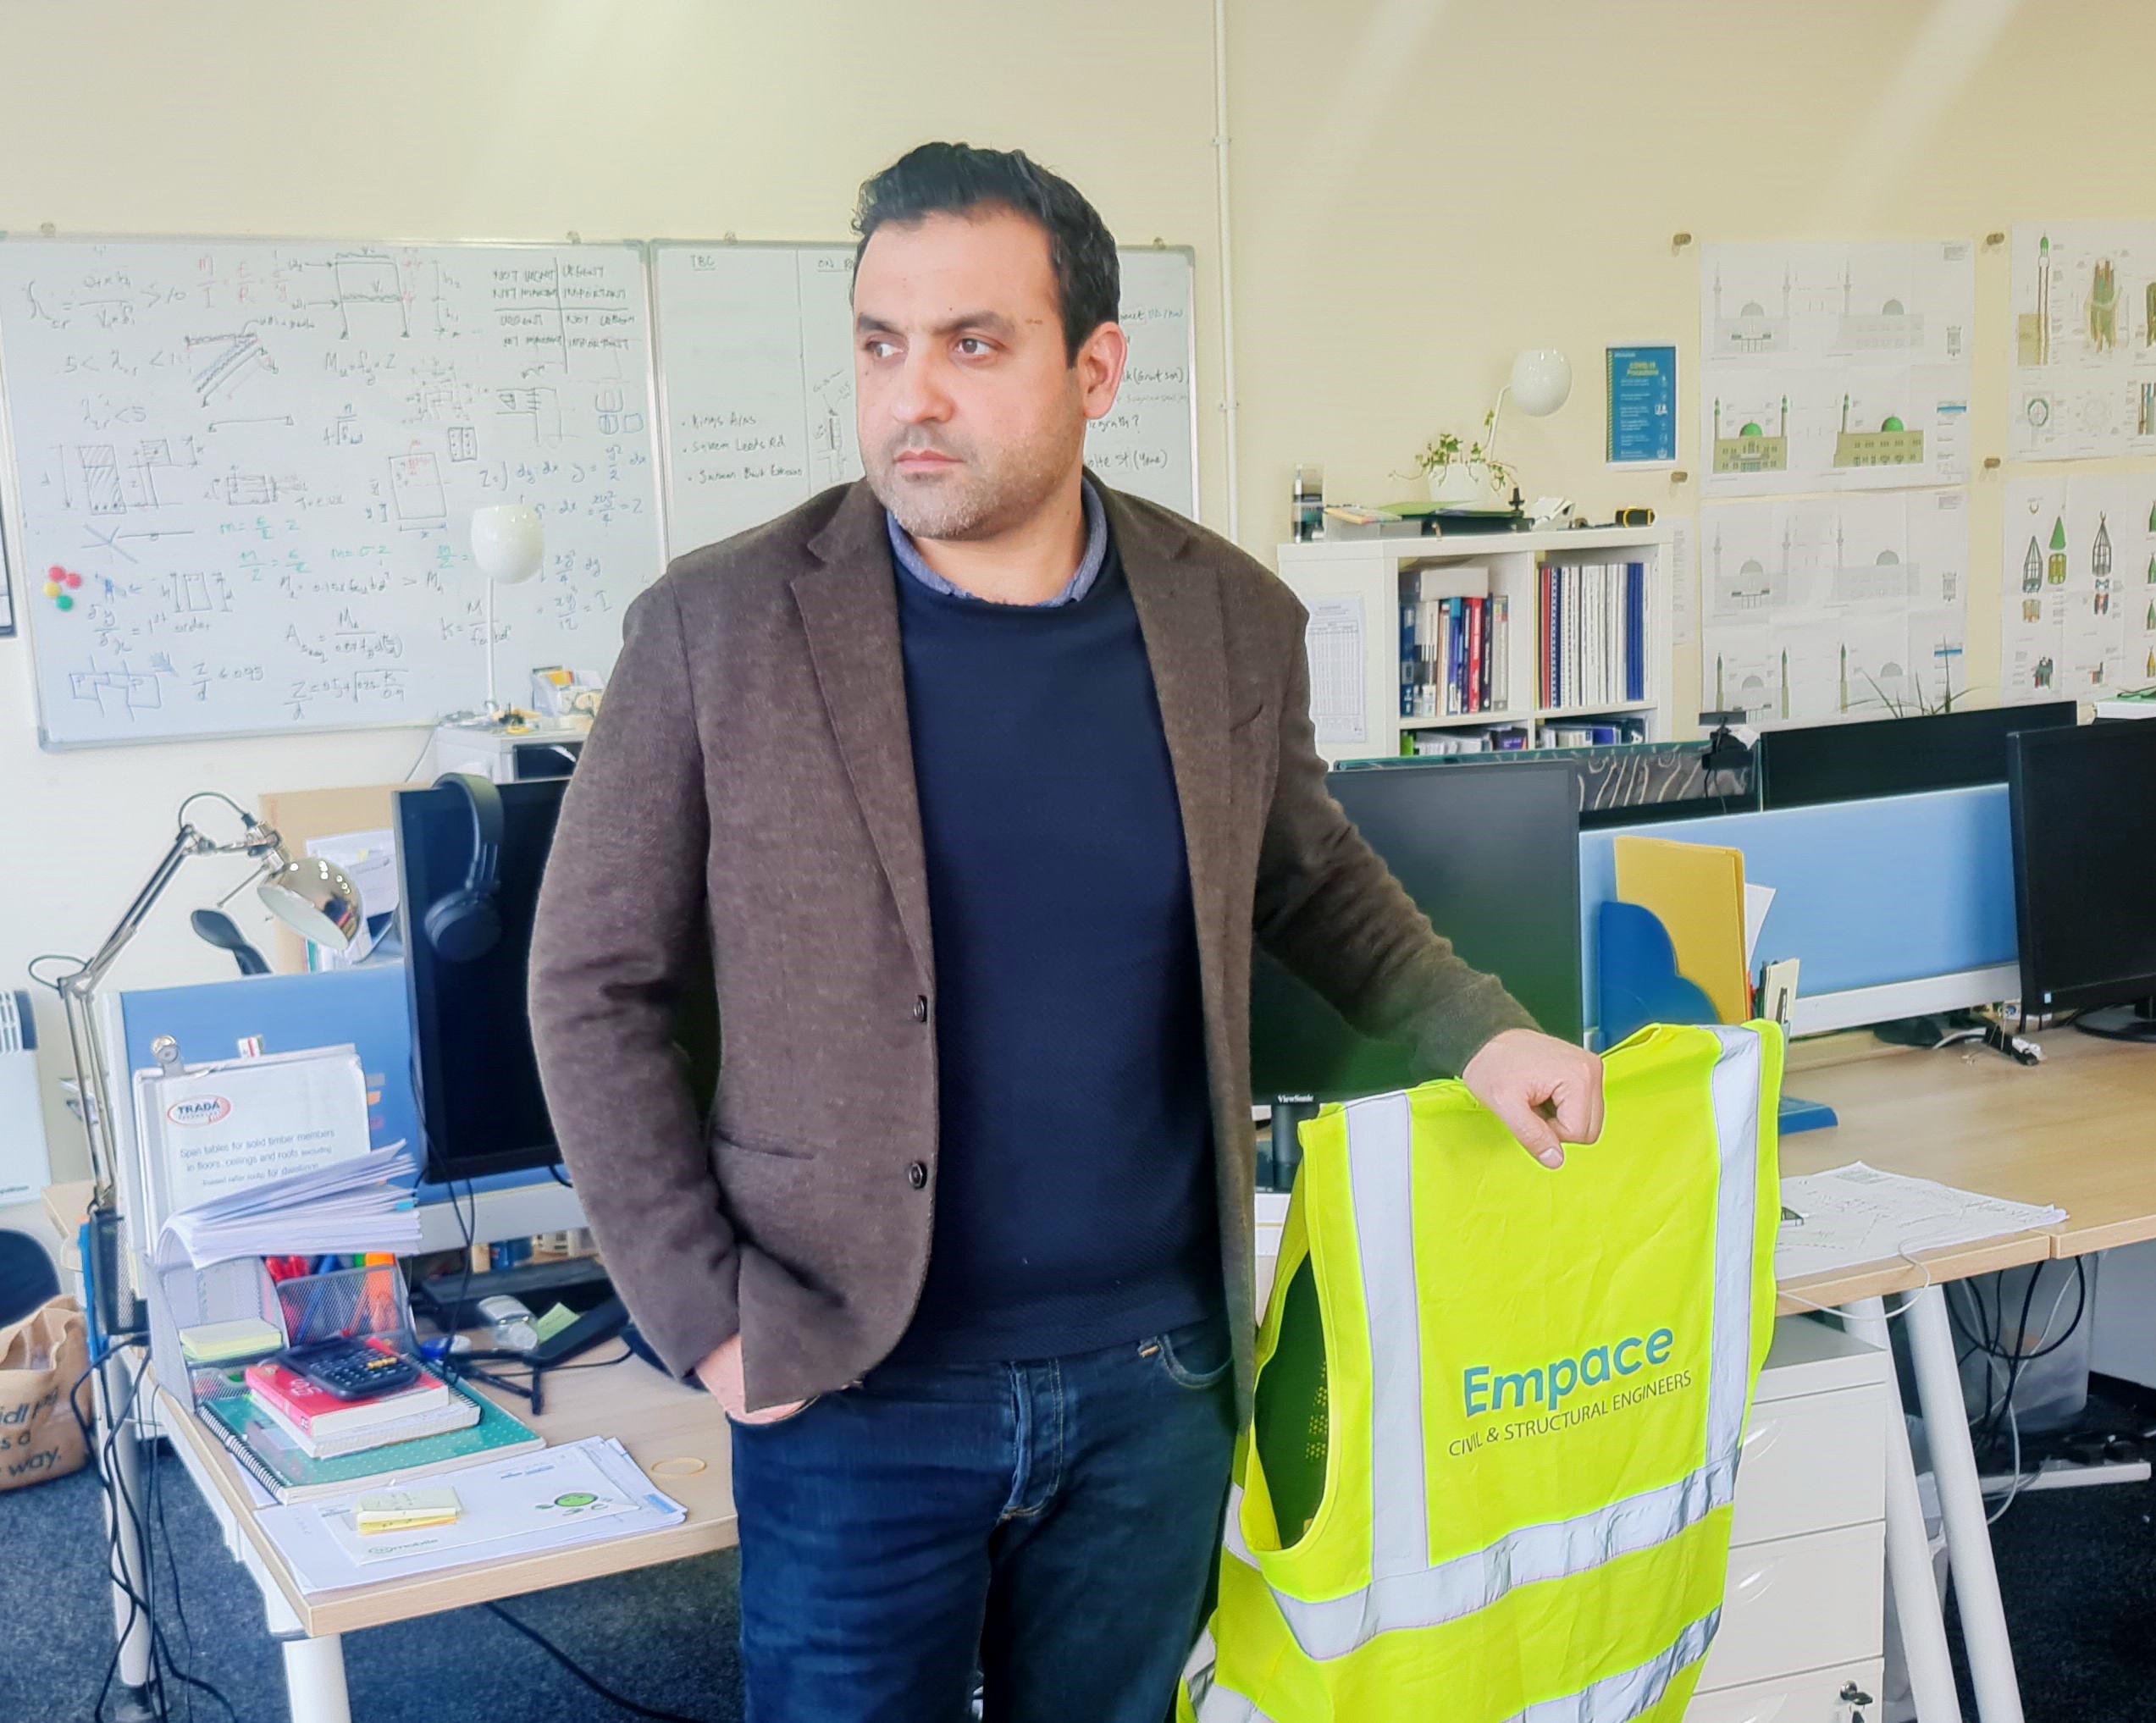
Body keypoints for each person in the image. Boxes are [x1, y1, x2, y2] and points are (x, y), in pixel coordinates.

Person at [528, 140, 1605, 1723]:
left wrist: (1482, 1027)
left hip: (1152, 1384)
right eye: (880, 344)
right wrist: (702, 1319)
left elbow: (1303, 879)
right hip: (850, 1380)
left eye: (972, 344)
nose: (913, 396)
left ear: (1094, 366)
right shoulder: (720, 627)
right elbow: (589, 983)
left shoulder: (1224, 617)